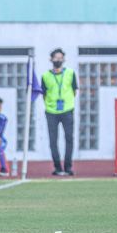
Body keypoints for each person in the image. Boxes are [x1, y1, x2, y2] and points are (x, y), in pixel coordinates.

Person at [41, 48, 78, 176]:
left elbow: (74, 91)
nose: (58, 60)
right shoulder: (45, 76)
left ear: (64, 59)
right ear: (51, 59)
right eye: (56, 58)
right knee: (53, 140)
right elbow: (44, 94)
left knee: (69, 139)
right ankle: (57, 167)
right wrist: (51, 104)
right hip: (51, 111)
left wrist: (67, 103)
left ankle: (68, 167)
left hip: (67, 110)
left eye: (60, 57)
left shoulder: (70, 73)